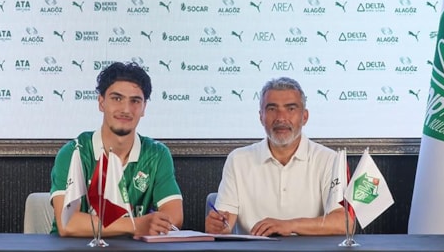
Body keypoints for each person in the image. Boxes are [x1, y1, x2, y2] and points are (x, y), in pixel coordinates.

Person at [50, 61, 183, 236]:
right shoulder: (74, 152)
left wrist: (154, 223)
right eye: (117, 98)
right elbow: (67, 223)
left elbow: (174, 217)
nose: (126, 109)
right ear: (101, 102)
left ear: (144, 108)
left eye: (135, 101)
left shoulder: (157, 154)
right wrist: (135, 225)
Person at [205, 77, 348, 236]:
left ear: (305, 117)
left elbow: (343, 223)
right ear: (261, 116)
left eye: (290, 109)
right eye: (272, 109)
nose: (281, 117)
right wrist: (218, 226)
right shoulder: (238, 160)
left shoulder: (329, 160)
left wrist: (290, 225)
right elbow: (224, 225)